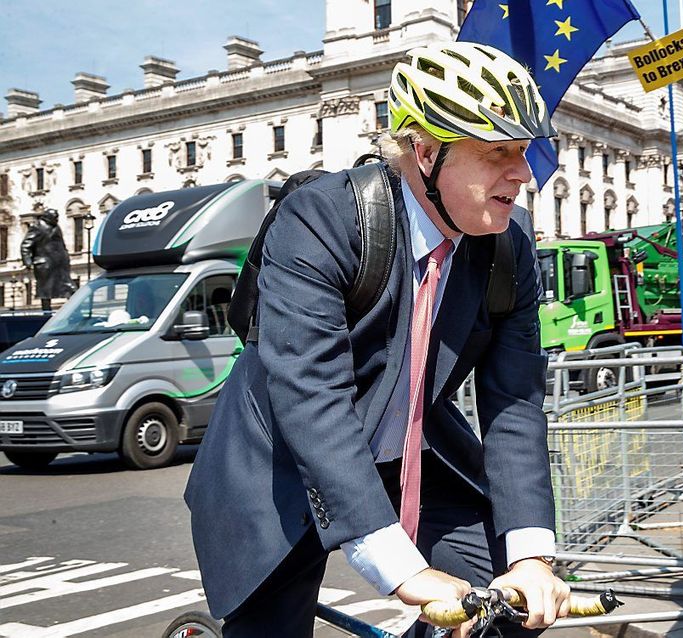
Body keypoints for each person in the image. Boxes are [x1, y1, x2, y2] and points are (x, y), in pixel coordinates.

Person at [184, 41, 569, 638]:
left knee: (503, 615)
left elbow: (515, 404)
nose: (523, 174)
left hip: (412, 457)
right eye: (498, 153)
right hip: (282, 462)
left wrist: (530, 556)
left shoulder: (509, 247)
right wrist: (404, 574)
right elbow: (312, 396)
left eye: (525, 152)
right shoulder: (322, 217)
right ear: (425, 151)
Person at [20, 208, 75, 311]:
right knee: (45, 291)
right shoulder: (38, 226)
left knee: (69, 287)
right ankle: (46, 312)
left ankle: (75, 311)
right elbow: (26, 245)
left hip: (59, 264)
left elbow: (60, 244)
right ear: (47, 217)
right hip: (45, 264)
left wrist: (65, 256)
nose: (56, 219)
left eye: (57, 217)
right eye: (54, 217)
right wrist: (28, 262)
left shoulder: (56, 227)